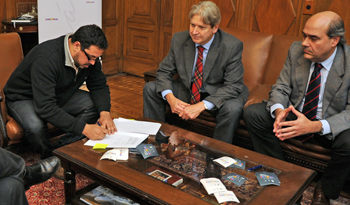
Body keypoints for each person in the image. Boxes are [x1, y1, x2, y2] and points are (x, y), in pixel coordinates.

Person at [243, 11, 349, 205]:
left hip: (328, 124)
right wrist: (278, 111)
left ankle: (325, 191)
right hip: (295, 115)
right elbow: (282, 86)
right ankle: (281, 173)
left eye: (313, 38)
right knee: (253, 114)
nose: (304, 43)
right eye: (304, 35)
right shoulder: (296, 50)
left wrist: (315, 126)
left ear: (334, 41)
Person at [4, 24, 117, 159]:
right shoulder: (46, 58)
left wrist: (105, 113)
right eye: (91, 57)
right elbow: (46, 107)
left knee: (93, 105)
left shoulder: (89, 57)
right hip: (23, 97)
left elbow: (99, 85)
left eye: (97, 58)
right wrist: (84, 129)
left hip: (57, 92)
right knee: (36, 128)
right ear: (77, 46)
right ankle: (48, 158)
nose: (93, 63)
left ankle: (60, 150)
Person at [143, 1, 248, 144]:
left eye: (201, 27)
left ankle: (217, 152)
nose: (194, 31)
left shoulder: (231, 46)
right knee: (150, 88)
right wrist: (170, 98)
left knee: (233, 107)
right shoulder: (180, 39)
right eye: (192, 25)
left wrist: (202, 105)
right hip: (187, 89)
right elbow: (164, 71)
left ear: (214, 28)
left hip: (216, 92)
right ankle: (157, 139)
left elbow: (234, 86)